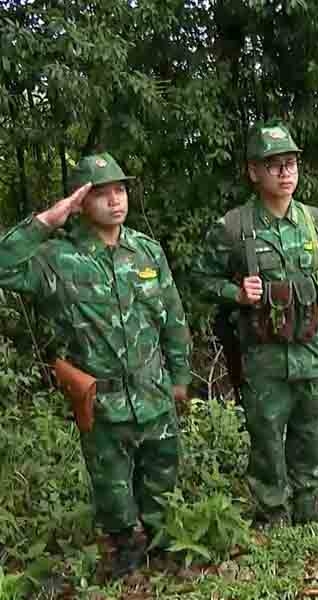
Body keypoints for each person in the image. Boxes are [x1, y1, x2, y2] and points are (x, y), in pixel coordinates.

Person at [0, 153, 191, 578]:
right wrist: (47, 220)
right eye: (101, 193)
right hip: (102, 400)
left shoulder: (147, 251)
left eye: (120, 190)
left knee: (161, 477)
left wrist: (180, 376)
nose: (114, 200)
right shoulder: (57, 258)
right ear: (80, 201)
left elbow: (173, 318)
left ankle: (162, 547)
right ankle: (126, 550)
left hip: (153, 391)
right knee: (112, 485)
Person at [192, 121, 318, 526]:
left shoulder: (316, 222)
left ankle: (308, 504)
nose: (285, 172)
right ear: (254, 171)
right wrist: (236, 293)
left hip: (311, 347)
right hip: (263, 354)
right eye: (274, 165)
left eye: (290, 163)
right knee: (266, 435)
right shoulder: (234, 227)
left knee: (309, 432)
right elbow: (199, 279)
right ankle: (272, 510)